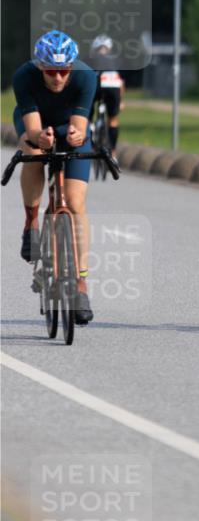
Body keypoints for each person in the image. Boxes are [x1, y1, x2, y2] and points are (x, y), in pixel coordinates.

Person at [12, 30, 98, 325]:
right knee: (33, 152)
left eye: (64, 71)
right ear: (40, 67)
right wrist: (40, 138)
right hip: (37, 125)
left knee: (74, 202)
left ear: (72, 67)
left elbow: (80, 126)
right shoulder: (24, 77)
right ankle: (31, 223)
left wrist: (75, 136)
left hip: (69, 127)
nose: (58, 78)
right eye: (51, 71)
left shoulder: (86, 77)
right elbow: (33, 128)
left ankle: (81, 284)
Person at [91, 35, 125, 154]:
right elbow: (121, 82)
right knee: (113, 120)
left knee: (86, 116)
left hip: (97, 84)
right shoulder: (115, 59)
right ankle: (113, 152)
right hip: (113, 84)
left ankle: (89, 139)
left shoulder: (91, 58)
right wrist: (121, 101)